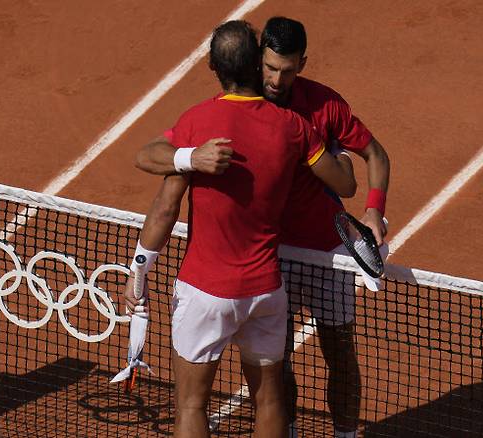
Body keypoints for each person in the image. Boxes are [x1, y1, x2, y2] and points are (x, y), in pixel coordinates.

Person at [134, 17, 391, 438]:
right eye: (269, 68)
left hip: (325, 253)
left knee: (339, 351)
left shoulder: (323, 107)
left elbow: (374, 157)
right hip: (274, 259)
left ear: (302, 64)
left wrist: (374, 211)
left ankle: (344, 435)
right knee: (277, 368)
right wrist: (191, 157)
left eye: (287, 70)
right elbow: (343, 176)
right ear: (257, 62)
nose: (276, 79)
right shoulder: (250, 116)